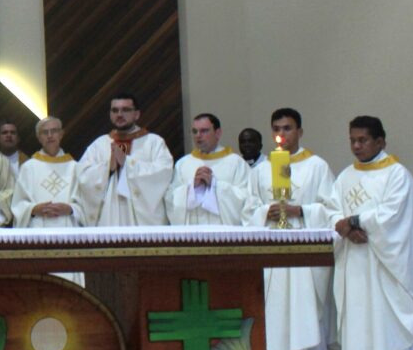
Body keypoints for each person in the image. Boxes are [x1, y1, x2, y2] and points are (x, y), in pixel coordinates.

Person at [326, 115, 413, 350]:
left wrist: (357, 221)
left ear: (380, 141)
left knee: (391, 315)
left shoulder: (397, 174)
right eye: (352, 140)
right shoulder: (346, 175)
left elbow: (395, 215)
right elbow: (332, 210)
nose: (357, 146)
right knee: (362, 315)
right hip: (356, 260)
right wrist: (346, 227)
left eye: (362, 140)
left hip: (388, 263)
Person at [247, 108, 335, 350]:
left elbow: (332, 207)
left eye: (287, 128)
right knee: (276, 306)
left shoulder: (317, 166)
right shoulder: (263, 169)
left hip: (303, 243)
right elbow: (247, 207)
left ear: (299, 131)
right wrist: (264, 213)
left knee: (305, 304)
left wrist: (303, 210)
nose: (281, 134)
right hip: (272, 242)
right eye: (277, 128)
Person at [77, 94, 172, 226]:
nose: (119, 114)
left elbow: (164, 172)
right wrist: (107, 168)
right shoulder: (99, 144)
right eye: (115, 110)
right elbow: (83, 176)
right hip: (109, 214)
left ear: (137, 114)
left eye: (125, 110)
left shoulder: (153, 142)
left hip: (141, 219)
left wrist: (128, 164)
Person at [12, 116, 83, 285]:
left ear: (62, 134)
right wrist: (34, 209)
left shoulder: (75, 167)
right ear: (39, 137)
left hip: (68, 233)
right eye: (45, 132)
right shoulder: (29, 167)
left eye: (54, 131)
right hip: (38, 233)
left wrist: (71, 209)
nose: (50, 136)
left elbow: (87, 205)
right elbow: (18, 204)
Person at [166, 113, 251, 226]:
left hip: (224, 235)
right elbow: (170, 199)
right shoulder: (183, 163)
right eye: (195, 131)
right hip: (192, 234)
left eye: (204, 131)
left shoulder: (236, 163)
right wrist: (191, 187)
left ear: (218, 133)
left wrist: (215, 186)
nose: (198, 135)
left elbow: (248, 199)